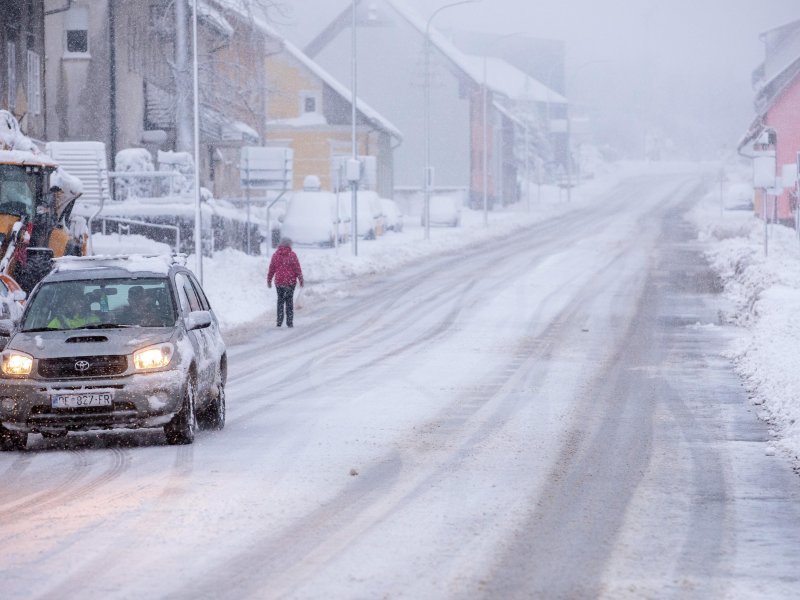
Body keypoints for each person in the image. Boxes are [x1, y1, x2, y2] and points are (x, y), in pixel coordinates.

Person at [267, 237, 303, 328]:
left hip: (279, 282)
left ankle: (279, 321)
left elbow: (272, 269)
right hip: (290, 282)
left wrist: (269, 280)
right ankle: (289, 322)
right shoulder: (292, 255)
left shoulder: (275, 255)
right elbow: (297, 269)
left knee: (280, 301)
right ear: (289, 244)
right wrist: (301, 279)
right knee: (289, 301)